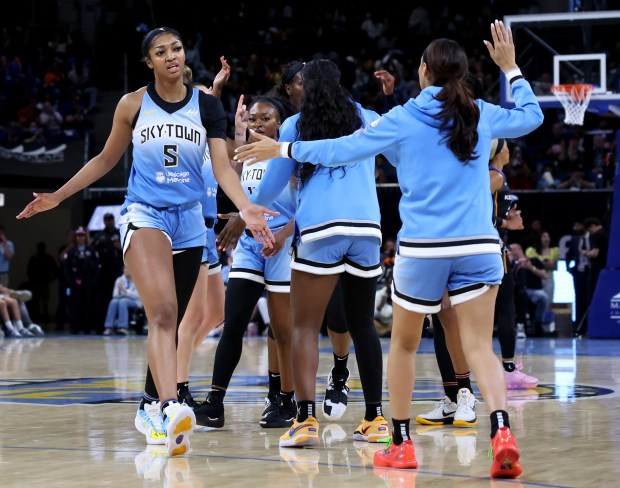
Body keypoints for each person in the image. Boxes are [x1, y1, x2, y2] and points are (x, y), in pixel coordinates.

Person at [234, 21, 543, 478]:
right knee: (479, 346)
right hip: (478, 244)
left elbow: (343, 149)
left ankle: (398, 442)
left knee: (401, 344)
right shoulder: (481, 112)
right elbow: (533, 116)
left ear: (422, 72)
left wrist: (283, 147)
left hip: (422, 251)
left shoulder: (402, 118)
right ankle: (501, 432)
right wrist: (511, 67)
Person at [16, 26, 276, 457]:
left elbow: (223, 168)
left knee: (178, 321)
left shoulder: (208, 106)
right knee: (164, 312)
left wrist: (245, 206)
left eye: (176, 48)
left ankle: (147, 403)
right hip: (146, 213)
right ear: (149, 61)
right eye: (161, 51)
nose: (171, 55)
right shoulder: (131, 104)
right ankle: (168, 405)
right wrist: (57, 197)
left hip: (192, 218)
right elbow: (104, 159)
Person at [238, 58, 390, 448]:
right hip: (366, 230)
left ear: (306, 87)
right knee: (362, 326)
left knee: (305, 327)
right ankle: (375, 418)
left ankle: (305, 420)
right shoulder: (367, 117)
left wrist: (247, 209)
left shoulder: (294, 127)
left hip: (321, 230)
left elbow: (270, 188)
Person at [194, 95, 298, 429]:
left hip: (282, 244)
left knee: (281, 330)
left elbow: (307, 206)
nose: (257, 124)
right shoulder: (247, 155)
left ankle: (283, 400)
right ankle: (215, 402)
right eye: (252, 119)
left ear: (279, 122)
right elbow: (231, 180)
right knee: (233, 322)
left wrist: (282, 238)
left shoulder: (288, 154)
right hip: (252, 246)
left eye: (265, 118)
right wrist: (238, 135)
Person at [63, 226, 100, 334]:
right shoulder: (71, 251)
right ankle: (74, 327)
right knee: (74, 305)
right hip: (75, 281)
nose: (80, 237)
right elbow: (66, 268)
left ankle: (87, 327)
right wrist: (70, 281)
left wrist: (93, 281)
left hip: (88, 281)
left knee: (87, 304)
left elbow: (96, 267)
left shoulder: (91, 251)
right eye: (78, 235)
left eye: (82, 235)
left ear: (85, 236)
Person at [92, 213, 124, 331]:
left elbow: (128, 248)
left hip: (116, 271)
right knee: (102, 299)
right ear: (104, 221)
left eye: (111, 219)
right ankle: (102, 326)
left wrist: (119, 246)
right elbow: (92, 250)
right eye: (107, 219)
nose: (109, 221)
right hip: (102, 273)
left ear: (113, 220)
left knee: (117, 297)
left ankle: (119, 326)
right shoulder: (99, 235)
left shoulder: (119, 233)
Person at [510, 242, 548, 336]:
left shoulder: (533, 260)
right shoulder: (510, 264)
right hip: (517, 290)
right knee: (520, 294)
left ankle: (538, 323)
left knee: (542, 297)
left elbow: (544, 275)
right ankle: (518, 325)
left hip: (534, 290)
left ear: (520, 250)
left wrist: (531, 268)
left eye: (513, 250)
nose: (511, 252)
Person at [103, 266, 141, 336]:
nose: (126, 270)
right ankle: (109, 327)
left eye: (129, 269)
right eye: (125, 269)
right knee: (113, 302)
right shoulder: (119, 280)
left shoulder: (138, 280)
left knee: (122, 301)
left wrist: (125, 291)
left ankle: (123, 327)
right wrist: (126, 294)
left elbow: (137, 296)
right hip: (121, 299)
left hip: (136, 302)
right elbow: (115, 295)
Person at [26, 241, 59, 323]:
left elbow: (55, 269)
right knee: (39, 301)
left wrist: (52, 279)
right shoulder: (36, 258)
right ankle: (39, 316)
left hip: (44, 282)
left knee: (44, 301)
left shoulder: (46, 258)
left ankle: (43, 316)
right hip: (38, 282)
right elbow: (29, 270)